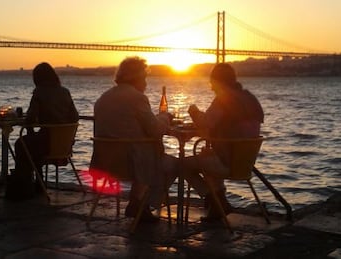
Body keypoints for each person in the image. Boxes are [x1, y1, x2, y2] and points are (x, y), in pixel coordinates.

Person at [93, 56, 177, 222]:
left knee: (147, 155)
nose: (146, 83)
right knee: (174, 165)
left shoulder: (102, 98)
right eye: (144, 77)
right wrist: (165, 117)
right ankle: (141, 206)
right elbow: (155, 129)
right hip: (130, 164)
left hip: (105, 164)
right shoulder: (137, 98)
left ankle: (138, 203)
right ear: (138, 77)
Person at [185, 63, 264, 219]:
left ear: (217, 81)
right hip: (244, 164)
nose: (211, 88)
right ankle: (218, 205)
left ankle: (216, 200)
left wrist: (193, 111)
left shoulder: (224, 99)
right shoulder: (251, 99)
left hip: (225, 162)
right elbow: (231, 126)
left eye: (212, 83)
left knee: (182, 165)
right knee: (208, 154)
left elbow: (205, 122)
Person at [6, 62, 79, 200]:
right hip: (64, 145)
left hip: (47, 143)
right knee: (32, 144)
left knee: (21, 144)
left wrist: (31, 126)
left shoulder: (39, 92)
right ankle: (38, 184)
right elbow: (74, 117)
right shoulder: (65, 92)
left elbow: (30, 119)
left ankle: (28, 185)